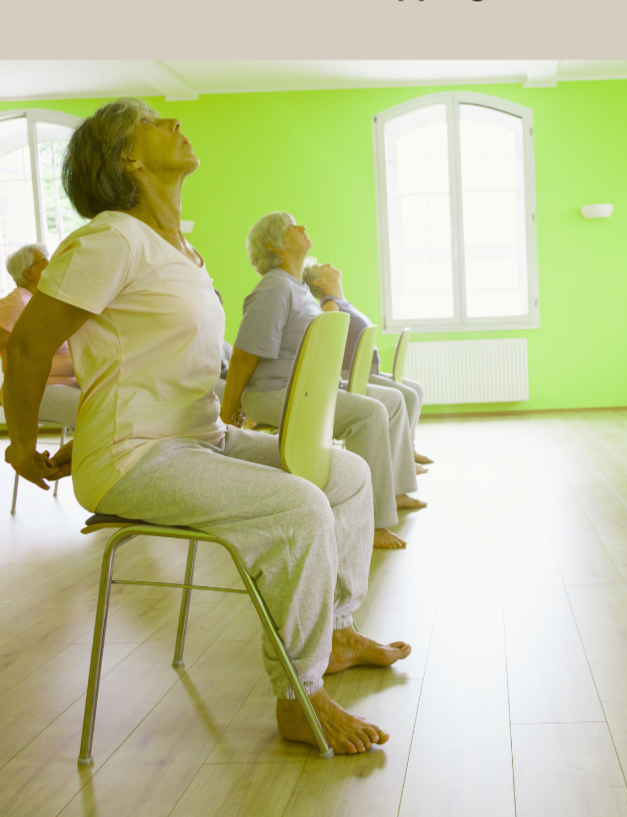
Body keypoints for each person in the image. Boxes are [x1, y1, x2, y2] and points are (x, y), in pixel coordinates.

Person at [3, 98, 410, 755]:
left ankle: (331, 631)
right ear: (128, 159)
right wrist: (23, 444)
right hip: (138, 460)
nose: (171, 122)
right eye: (151, 121)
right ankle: (297, 691)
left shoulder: (178, 250)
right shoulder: (110, 238)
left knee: (346, 473)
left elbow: (152, 359)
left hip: (195, 440)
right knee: (299, 501)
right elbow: (25, 347)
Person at [219, 212, 426, 550]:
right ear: (275, 244)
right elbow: (243, 356)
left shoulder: (296, 288)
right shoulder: (274, 286)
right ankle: (371, 524)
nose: (302, 227)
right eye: (292, 226)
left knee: (389, 401)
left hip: (304, 387)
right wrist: (230, 414)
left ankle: (396, 491)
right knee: (369, 414)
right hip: (274, 391)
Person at [302, 258, 433, 467]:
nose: (328, 263)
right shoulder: (329, 305)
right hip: (351, 374)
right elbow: (326, 344)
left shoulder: (343, 303)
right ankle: (401, 463)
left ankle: (408, 452)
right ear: (318, 282)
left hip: (367, 371)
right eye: (322, 267)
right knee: (407, 396)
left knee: (415, 390)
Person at [0, 244, 81, 429]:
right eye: (44, 259)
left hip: (65, 383)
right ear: (27, 273)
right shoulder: (17, 300)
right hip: (36, 390)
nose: (51, 261)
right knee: (91, 408)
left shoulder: (38, 300)